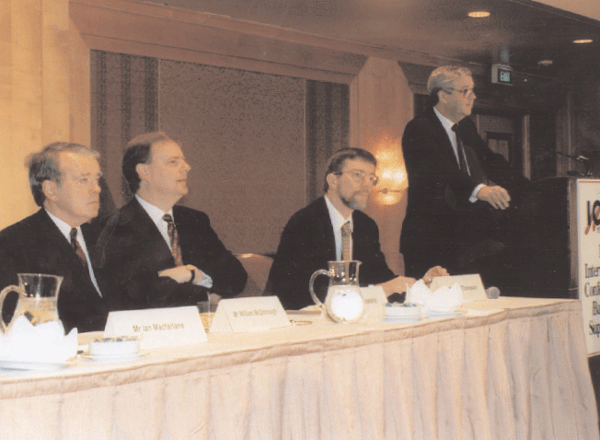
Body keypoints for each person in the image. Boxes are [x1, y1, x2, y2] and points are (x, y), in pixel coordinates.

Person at [265, 148, 446, 310]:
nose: (367, 184)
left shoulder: (366, 225)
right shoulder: (305, 223)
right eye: (358, 175)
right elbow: (300, 290)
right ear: (333, 180)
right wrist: (379, 290)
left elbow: (382, 277)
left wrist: (419, 284)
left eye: (371, 178)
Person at [400, 65, 529, 279]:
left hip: (463, 238)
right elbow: (443, 168)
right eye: (465, 91)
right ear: (443, 95)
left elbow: (490, 159)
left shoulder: (465, 126)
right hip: (429, 238)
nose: (473, 96)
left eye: (472, 90)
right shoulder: (420, 128)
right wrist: (480, 190)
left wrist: (527, 187)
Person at [94, 131, 247, 310]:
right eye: (173, 162)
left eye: (183, 160)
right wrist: (207, 293)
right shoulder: (115, 226)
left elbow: (236, 277)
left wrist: (194, 275)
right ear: (144, 172)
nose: (187, 167)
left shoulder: (194, 221)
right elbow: (138, 297)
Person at [0, 142, 109, 333]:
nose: (97, 189)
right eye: (83, 180)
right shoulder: (14, 243)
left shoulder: (105, 237)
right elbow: (14, 323)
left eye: (96, 180)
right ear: (50, 190)